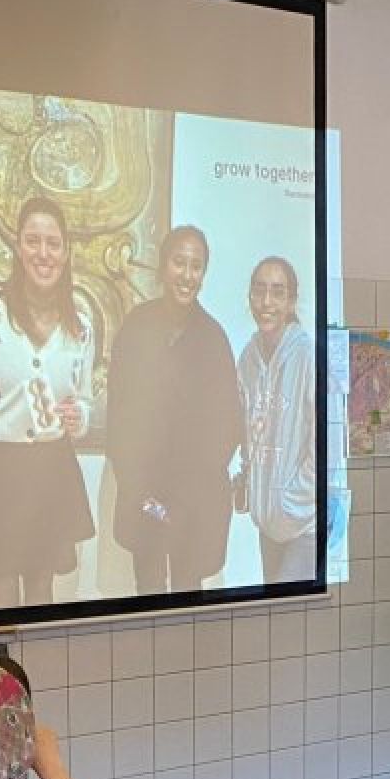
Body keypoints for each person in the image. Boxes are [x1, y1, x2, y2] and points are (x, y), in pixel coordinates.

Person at [0, 196, 98, 607]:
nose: (43, 253)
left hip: (49, 470)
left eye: (53, 243)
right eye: (33, 241)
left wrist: (80, 416)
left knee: (41, 592)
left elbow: (85, 400)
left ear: (66, 252)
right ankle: (4, 655)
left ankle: (41, 652)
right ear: (18, 246)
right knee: (1, 596)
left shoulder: (80, 327)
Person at [106, 224, 244, 594]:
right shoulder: (136, 326)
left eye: (196, 266)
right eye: (178, 262)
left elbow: (227, 427)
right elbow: (118, 416)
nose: (186, 274)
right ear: (163, 265)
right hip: (144, 498)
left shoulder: (213, 339)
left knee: (188, 596)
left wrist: (183, 504)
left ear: (203, 274)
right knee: (148, 591)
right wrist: (143, 495)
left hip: (192, 504)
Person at [234, 255, 318, 585]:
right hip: (267, 524)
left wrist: (291, 502)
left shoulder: (309, 357)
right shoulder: (247, 359)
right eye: (259, 291)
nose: (266, 302)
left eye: (278, 292)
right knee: (275, 610)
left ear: (291, 302)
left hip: (302, 526)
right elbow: (248, 433)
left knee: (292, 612)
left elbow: (325, 445)